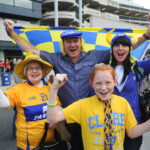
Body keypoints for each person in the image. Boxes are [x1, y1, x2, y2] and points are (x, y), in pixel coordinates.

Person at [3, 19, 150, 150]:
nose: (72, 44)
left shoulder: (95, 55)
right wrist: (11, 33)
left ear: (81, 43)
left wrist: (146, 36)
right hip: (69, 118)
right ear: (64, 45)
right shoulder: (56, 59)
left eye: (75, 41)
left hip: (92, 117)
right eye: (68, 41)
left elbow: (122, 47)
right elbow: (33, 50)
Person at [47, 64, 150, 150]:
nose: (103, 88)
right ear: (92, 83)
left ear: (115, 81)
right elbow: (53, 118)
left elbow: (132, 132)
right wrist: (54, 90)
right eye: (98, 83)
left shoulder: (122, 103)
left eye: (108, 82)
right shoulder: (83, 105)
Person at [0, 52, 61, 150]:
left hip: (51, 144)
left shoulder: (50, 87)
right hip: (27, 147)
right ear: (25, 71)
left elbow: (58, 107)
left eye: (38, 68)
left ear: (42, 70)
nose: (34, 71)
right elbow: (4, 103)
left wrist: (57, 118)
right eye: (30, 68)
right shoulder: (18, 89)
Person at [106, 31, 150, 150]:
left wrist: (147, 35)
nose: (120, 48)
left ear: (129, 49)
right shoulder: (103, 70)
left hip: (134, 126)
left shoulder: (138, 67)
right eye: (117, 45)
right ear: (112, 48)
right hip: (110, 126)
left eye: (124, 45)